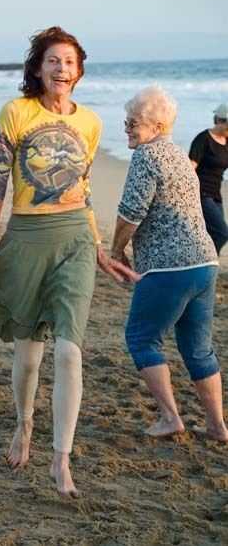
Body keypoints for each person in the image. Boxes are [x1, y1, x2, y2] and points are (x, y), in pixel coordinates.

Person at [0, 27, 138, 499]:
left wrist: (96, 247)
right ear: (37, 67)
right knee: (28, 357)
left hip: (73, 239)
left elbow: (84, 190)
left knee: (70, 350)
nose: (61, 70)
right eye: (52, 61)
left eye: (69, 62)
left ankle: (60, 461)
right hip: (26, 238)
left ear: (79, 70)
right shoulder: (16, 113)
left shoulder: (90, 123)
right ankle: (23, 426)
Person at [111, 85, 228, 442]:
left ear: (157, 126)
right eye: (126, 121)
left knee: (141, 338)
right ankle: (217, 426)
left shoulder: (147, 156)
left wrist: (116, 252)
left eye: (134, 123)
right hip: (205, 264)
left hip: (168, 268)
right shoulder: (177, 154)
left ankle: (169, 418)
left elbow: (131, 212)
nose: (127, 128)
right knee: (198, 349)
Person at [189, 103, 228, 255]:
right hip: (201, 192)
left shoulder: (226, 142)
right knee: (222, 233)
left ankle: (206, 267)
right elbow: (190, 168)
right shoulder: (203, 139)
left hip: (216, 195)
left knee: (212, 235)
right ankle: (207, 264)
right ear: (219, 120)